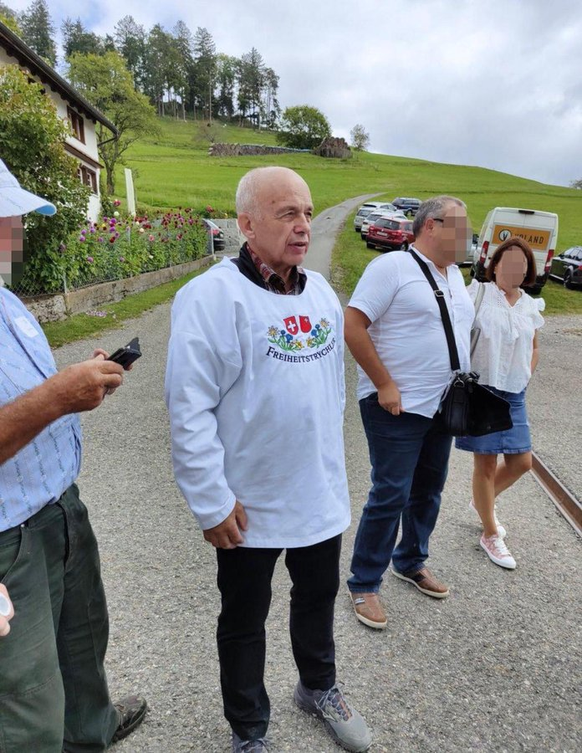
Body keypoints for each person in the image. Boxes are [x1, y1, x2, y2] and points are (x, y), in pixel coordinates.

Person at [166, 166, 372, 753]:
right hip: (245, 504)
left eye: (307, 212)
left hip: (316, 495)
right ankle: (248, 728)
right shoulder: (210, 298)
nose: (304, 225)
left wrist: (333, 476)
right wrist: (210, 501)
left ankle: (318, 686)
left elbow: (328, 394)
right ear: (246, 224)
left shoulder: (323, 294)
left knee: (317, 597)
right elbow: (188, 409)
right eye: (287, 214)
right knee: (244, 618)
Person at [0, 158, 147, 752]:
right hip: (7, 540)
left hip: (61, 506)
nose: (17, 233)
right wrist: (59, 396)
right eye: (6, 220)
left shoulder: (7, 302)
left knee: (83, 643)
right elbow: (38, 404)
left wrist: (75, 385)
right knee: (25, 703)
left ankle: (91, 730)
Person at [345, 195, 474, 630]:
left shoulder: (456, 275)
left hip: (443, 405)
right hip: (394, 406)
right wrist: (384, 383)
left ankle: (411, 560)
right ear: (432, 226)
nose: (468, 234)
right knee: (390, 493)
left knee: (430, 488)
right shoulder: (391, 268)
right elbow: (353, 324)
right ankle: (364, 582)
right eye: (461, 225)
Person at [456, 236, 544, 569]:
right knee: (486, 466)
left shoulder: (529, 304)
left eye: (522, 265)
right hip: (484, 391)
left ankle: (483, 502)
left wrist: (527, 374)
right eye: (509, 263)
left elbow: (535, 348)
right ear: (495, 266)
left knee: (523, 462)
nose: (515, 270)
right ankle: (490, 533)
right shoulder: (477, 294)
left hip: (514, 393)